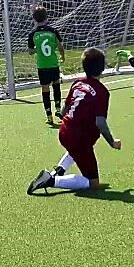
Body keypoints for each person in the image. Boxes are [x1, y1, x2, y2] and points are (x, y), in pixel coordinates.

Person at [27, 48, 122, 195]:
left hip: (64, 132)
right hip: (80, 140)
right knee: (93, 183)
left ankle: (58, 171)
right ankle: (51, 180)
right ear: (103, 68)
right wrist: (112, 142)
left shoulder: (77, 83)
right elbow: (100, 123)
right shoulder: (102, 92)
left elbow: (64, 110)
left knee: (75, 149)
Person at [27, 5, 65, 125]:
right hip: (53, 64)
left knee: (45, 88)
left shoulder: (32, 34)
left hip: (42, 66)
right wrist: (62, 56)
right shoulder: (53, 31)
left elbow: (30, 52)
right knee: (56, 84)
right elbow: (60, 46)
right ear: (46, 17)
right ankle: (58, 109)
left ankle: (49, 115)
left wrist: (37, 49)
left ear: (34, 19)